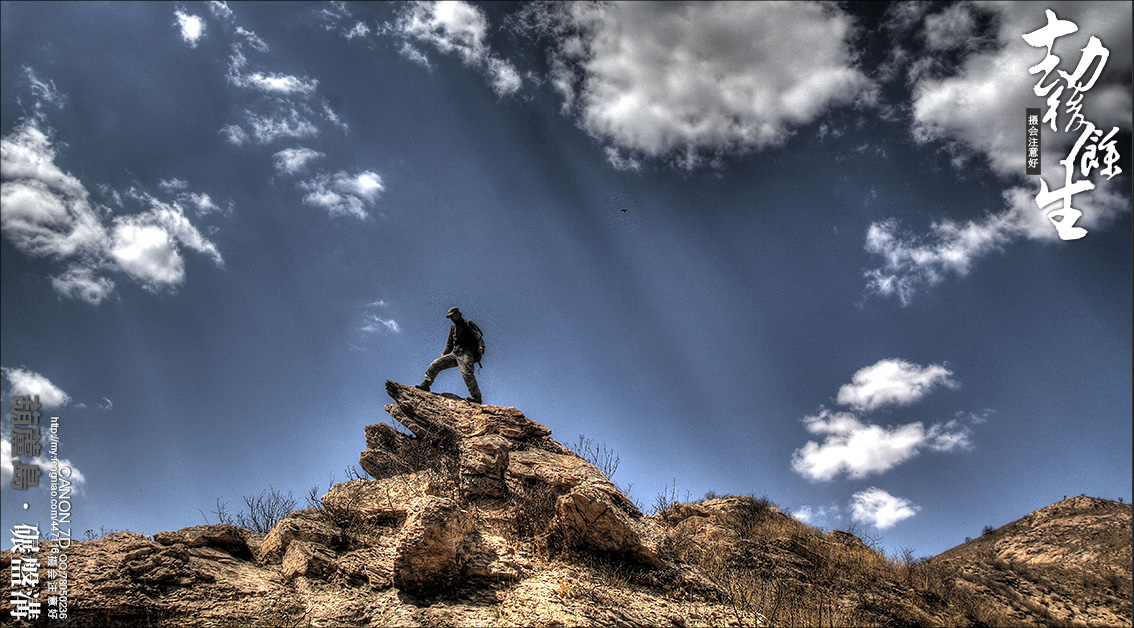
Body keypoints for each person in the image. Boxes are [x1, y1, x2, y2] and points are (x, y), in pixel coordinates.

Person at [415, 307, 484, 403]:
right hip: (455, 353)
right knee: (436, 363)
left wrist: (481, 346)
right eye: (450, 317)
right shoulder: (453, 328)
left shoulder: (467, 323)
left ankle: (476, 397)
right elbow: (449, 345)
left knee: (467, 373)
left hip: (467, 352)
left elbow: (478, 335)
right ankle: (426, 384)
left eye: (452, 316)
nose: (451, 318)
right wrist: (444, 354)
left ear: (457, 314)